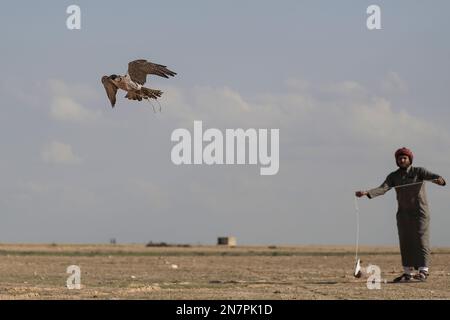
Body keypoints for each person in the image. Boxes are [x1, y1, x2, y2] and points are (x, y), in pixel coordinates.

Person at [355, 147, 446, 282]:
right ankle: (407, 273)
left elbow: (436, 178)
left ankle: (423, 271)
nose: (402, 160)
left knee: (422, 240)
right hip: (403, 214)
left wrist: (440, 180)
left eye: (405, 158)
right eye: (400, 158)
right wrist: (367, 192)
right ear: (397, 161)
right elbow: (383, 188)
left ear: (410, 160)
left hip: (420, 212)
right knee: (405, 241)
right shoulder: (393, 176)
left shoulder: (419, 171)